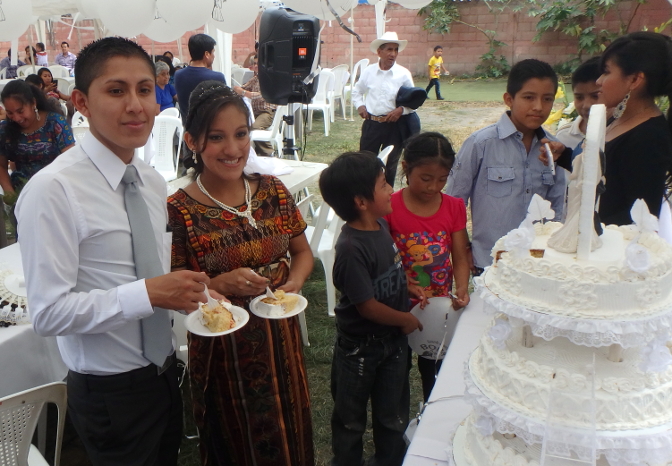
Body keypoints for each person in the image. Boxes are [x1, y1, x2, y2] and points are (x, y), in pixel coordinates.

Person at [15, 36, 213, 466]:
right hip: (110, 392)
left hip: (164, 375)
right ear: (82, 102)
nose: (136, 105)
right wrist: (149, 294)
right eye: (116, 90)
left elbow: (151, 268)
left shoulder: (149, 179)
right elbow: (48, 313)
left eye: (144, 89)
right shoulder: (53, 190)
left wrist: (205, 291)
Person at [168, 81, 315, 466]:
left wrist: (293, 287)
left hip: (281, 342)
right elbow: (175, 290)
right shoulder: (178, 210)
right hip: (224, 355)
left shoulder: (273, 191)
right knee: (237, 446)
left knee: (292, 438)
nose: (233, 150)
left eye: (241, 134)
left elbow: (302, 253)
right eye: (216, 137)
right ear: (192, 141)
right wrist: (217, 284)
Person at [320, 151, 423, 466]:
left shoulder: (379, 226)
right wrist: (405, 319)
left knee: (392, 415)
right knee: (350, 421)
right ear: (361, 201)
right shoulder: (351, 249)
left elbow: (385, 270)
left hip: (392, 347)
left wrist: (405, 282)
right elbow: (367, 307)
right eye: (383, 184)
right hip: (359, 352)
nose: (391, 189)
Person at [446, 59, 566, 275]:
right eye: (529, 97)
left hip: (538, 261)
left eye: (547, 99)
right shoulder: (480, 144)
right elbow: (454, 203)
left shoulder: (553, 150)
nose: (538, 107)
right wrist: (464, 248)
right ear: (509, 99)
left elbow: (557, 207)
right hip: (491, 261)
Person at [550, 32, 672, 226]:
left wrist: (591, 231)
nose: (599, 81)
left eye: (606, 72)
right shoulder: (615, 118)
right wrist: (564, 156)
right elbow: (605, 172)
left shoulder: (649, 138)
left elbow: (641, 216)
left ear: (634, 80)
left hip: (612, 249)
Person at [383, 132, 470, 402]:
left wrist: (463, 289)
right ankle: (397, 410)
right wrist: (405, 283)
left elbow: (460, 253)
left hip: (438, 305)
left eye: (442, 180)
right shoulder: (390, 207)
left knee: (433, 362)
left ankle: (432, 409)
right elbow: (385, 257)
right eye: (426, 179)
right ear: (406, 167)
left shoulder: (454, 207)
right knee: (398, 363)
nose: (433, 187)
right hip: (399, 304)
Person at [352, 31, 417, 187]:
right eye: (389, 49)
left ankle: (386, 199)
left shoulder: (403, 74)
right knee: (366, 162)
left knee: (390, 164)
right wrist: (360, 105)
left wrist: (401, 110)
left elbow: (414, 101)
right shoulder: (369, 72)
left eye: (395, 50)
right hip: (372, 123)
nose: (393, 54)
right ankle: (367, 193)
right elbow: (357, 91)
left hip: (394, 126)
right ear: (379, 52)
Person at [0, 80, 73, 195]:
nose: (16, 118)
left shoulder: (56, 123)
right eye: (10, 113)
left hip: (55, 190)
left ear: (33, 103)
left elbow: (71, 161)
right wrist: (10, 194)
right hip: (21, 190)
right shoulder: (5, 129)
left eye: (20, 111)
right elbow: (1, 166)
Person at [555, 57, 602, 155]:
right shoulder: (564, 137)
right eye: (579, 97)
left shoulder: (621, 136)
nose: (586, 105)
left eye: (595, 96)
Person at [174, 34, 226, 120]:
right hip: (209, 129)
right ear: (207, 54)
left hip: (187, 129)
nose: (214, 55)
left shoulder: (178, 75)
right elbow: (223, 108)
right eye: (213, 52)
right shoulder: (217, 77)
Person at [233, 56, 277, 156]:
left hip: (267, 111)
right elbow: (237, 88)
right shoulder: (255, 79)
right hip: (253, 113)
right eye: (254, 64)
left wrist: (244, 92)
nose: (256, 66)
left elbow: (259, 95)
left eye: (258, 64)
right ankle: (251, 154)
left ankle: (269, 154)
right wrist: (241, 91)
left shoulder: (270, 79)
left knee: (256, 128)